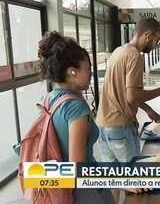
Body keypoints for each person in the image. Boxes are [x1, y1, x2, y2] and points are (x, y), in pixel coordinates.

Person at [38, 31, 113, 203]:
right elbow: (78, 168)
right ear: (72, 72)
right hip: (84, 193)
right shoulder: (76, 108)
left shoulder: (49, 99)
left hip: (59, 187)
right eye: (87, 69)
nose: (90, 74)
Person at [96, 17, 160, 163]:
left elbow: (124, 92)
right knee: (134, 178)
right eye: (157, 40)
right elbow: (132, 96)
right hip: (121, 126)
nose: (156, 45)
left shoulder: (118, 52)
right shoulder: (134, 56)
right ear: (148, 35)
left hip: (103, 125)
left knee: (113, 180)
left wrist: (147, 109)